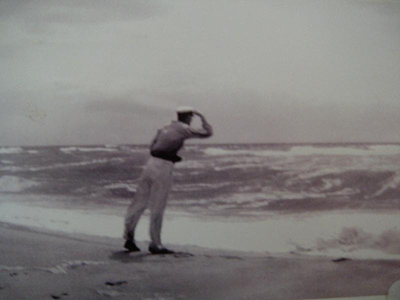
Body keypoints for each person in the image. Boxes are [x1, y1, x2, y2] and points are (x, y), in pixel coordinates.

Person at [123, 106, 213, 254]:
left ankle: (129, 237)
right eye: (192, 117)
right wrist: (202, 117)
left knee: (139, 202)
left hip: (151, 163)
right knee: (158, 205)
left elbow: (153, 146)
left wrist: (170, 154)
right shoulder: (184, 128)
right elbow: (207, 133)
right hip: (163, 167)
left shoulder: (165, 126)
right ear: (189, 117)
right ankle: (155, 243)